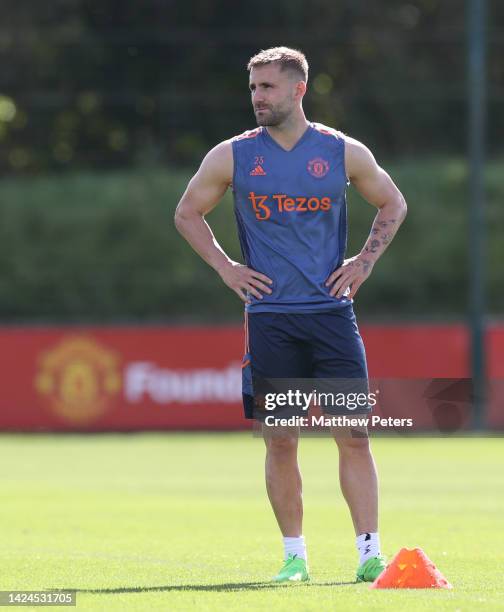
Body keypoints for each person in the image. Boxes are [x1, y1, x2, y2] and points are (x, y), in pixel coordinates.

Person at [175, 46, 407, 583]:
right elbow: (187, 213)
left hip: (331, 316)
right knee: (280, 438)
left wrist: (364, 262)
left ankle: (369, 553)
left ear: (298, 89)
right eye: (253, 87)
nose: (257, 97)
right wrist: (226, 268)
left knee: (354, 435)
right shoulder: (231, 156)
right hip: (271, 319)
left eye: (267, 87)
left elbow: (392, 203)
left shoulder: (341, 151)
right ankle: (294, 557)